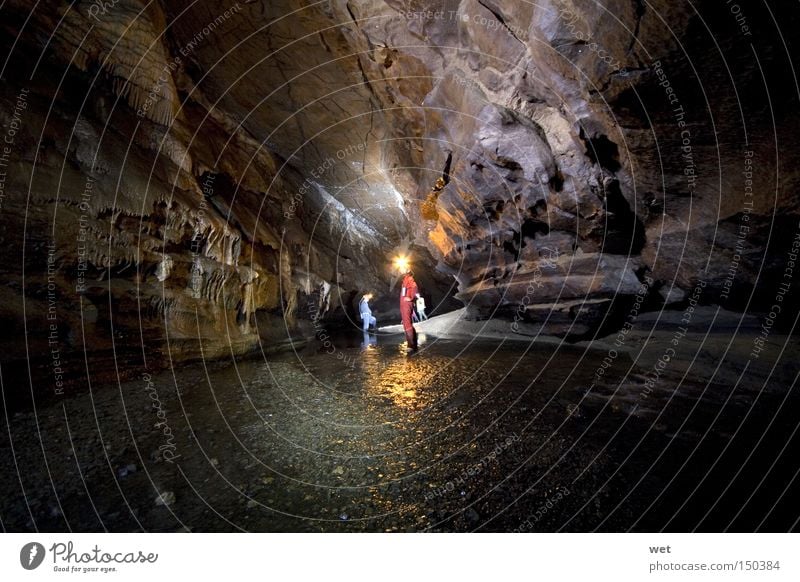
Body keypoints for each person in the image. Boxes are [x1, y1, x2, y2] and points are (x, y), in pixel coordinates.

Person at [399, 270, 418, 351]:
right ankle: (412, 343)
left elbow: (415, 287)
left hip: (406, 303)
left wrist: (411, 298)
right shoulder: (404, 281)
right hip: (403, 304)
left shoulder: (409, 279)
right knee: (406, 323)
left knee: (407, 324)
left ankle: (411, 345)